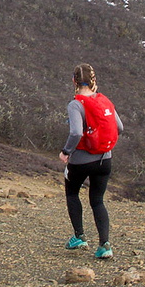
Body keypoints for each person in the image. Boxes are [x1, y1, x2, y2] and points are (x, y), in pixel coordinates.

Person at [59, 63, 123, 259]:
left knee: (72, 193)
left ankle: (79, 237)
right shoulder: (104, 101)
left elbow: (76, 132)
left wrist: (66, 151)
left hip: (81, 160)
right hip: (105, 159)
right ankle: (105, 245)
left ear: (74, 81)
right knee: (97, 201)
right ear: (94, 80)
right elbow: (119, 127)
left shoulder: (76, 104)